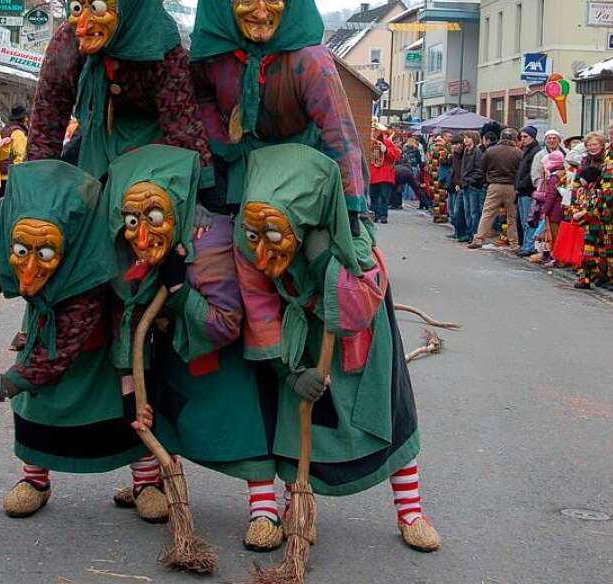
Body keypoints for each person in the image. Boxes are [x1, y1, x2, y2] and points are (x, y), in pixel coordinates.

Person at [235, 145, 440, 552]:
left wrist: (325, 261)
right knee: (295, 422)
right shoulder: (248, 241)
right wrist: (288, 372)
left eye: (273, 236)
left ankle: (411, 510)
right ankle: (295, 507)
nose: (261, 252)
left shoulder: (351, 239)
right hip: (297, 344)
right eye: (254, 237)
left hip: (359, 339)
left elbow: (356, 307)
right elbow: (258, 309)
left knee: (388, 417)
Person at [104, 146, 279, 547]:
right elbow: (126, 323)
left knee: (242, 428)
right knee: (156, 417)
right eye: (133, 222)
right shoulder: (126, 250)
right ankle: (151, 482)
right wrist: (131, 390)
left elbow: (225, 323)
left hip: (219, 359)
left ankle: (264, 506)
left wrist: (181, 288)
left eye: (152, 219)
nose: (142, 235)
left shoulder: (211, 239)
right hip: (170, 360)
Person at [0, 160, 142, 516]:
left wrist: (6, 384)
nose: (28, 269)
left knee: (123, 405)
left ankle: (147, 479)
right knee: (38, 406)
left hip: (98, 341)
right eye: (21, 252)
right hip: (42, 325)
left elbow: (60, 351)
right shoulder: (15, 233)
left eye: (42, 254)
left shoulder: (88, 268)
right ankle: (34, 478)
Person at [190, 0, 368, 226]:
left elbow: (338, 129)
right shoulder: (213, 58)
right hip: (242, 169)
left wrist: (350, 202)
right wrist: (220, 153)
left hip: (301, 170)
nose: (261, 13)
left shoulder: (310, 60)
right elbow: (201, 98)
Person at [26, 0, 212, 189]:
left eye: (98, 7)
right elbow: (48, 116)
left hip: (150, 155)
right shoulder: (67, 40)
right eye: (77, 7)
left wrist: (198, 192)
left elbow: (182, 124)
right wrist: (36, 184)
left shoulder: (162, 45)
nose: (83, 25)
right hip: (93, 139)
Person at [468, 128, 522, 251]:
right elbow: (520, 170)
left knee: (487, 213)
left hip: (494, 185)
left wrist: (486, 182)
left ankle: (478, 239)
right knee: (511, 216)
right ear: (514, 138)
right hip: (511, 186)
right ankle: (514, 243)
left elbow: (482, 168)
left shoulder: (490, 151)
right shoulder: (518, 153)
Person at [569, 165, 607, 289]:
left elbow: (595, 212)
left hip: (593, 228)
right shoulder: (583, 191)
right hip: (583, 227)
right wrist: (574, 211)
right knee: (584, 253)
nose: (580, 180)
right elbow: (576, 204)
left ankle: (586, 279)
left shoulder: (597, 193)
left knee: (589, 254)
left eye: (582, 178)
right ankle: (590, 276)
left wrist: (582, 214)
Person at [529, 151, 565, 264]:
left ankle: (556, 258)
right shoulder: (563, 174)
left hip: (554, 211)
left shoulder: (553, 177)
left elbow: (551, 196)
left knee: (554, 235)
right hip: (561, 209)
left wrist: (545, 210)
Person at [515, 125, 541, 257]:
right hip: (521, 189)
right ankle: (525, 244)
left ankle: (528, 246)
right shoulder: (526, 150)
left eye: (526, 137)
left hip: (528, 190)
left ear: (533, 137)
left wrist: (521, 184)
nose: (523, 139)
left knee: (528, 220)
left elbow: (531, 172)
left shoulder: (535, 151)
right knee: (523, 219)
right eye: (522, 137)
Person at [368, 122, 400, 224]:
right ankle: (374, 215)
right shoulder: (369, 142)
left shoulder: (387, 142)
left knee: (384, 197)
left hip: (385, 175)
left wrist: (386, 150)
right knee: (374, 196)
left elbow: (395, 156)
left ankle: (383, 215)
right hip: (373, 174)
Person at [459, 131, 484, 243]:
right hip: (465, 184)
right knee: (467, 210)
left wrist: (470, 180)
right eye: (465, 138)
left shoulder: (477, 152)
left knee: (474, 211)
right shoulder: (466, 151)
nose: (465, 140)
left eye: (468, 138)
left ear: (473, 139)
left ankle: (474, 233)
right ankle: (469, 232)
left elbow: (479, 170)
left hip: (473, 185)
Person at [0, 105, 28, 191]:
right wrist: (19, 174)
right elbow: (20, 155)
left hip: (1, 173)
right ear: (24, 118)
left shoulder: (5, 129)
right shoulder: (18, 132)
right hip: (11, 175)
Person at [446, 135, 469, 241]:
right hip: (452, 185)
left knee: (458, 211)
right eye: (453, 144)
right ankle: (457, 231)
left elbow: (463, 172)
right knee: (451, 210)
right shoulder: (454, 155)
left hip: (460, 186)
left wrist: (459, 184)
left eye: (456, 144)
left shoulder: (465, 155)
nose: (454, 146)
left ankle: (462, 232)